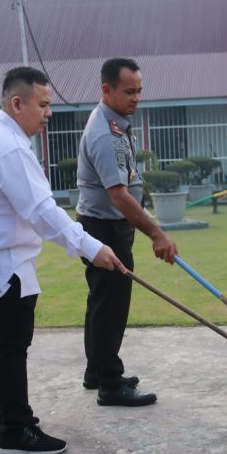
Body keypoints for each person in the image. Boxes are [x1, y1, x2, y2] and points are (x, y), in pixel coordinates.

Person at [0, 66, 125, 454]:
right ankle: (16, 430)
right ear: (16, 103)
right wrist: (92, 248)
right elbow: (42, 212)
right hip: (2, 265)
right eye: (43, 105)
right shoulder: (8, 147)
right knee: (9, 348)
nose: (48, 113)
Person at [76, 57, 177, 407]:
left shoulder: (115, 124)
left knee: (101, 302)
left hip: (105, 225)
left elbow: (127, 186)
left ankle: (97, 370)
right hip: (104, 228)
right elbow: (118, 196)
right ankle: (110, 382)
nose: (137, 98)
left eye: (139, 91)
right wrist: (157, 234)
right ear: (107, 90)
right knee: (111, 306)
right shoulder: (106, 133)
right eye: (129, 91)